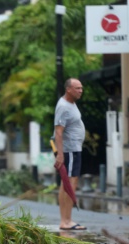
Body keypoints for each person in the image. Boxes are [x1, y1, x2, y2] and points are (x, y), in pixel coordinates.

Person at [54, 77, 86, 231]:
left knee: (69, 183)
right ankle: (65, 221)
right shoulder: (64, 107)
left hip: (74, 149)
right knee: (69, 183)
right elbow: (58, 132)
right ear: (68, 89)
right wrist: (60, 155)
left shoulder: (71, 104)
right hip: (69, 150)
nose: (81, 91)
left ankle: (67, 219)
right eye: (77, 88)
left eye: (81, 88)